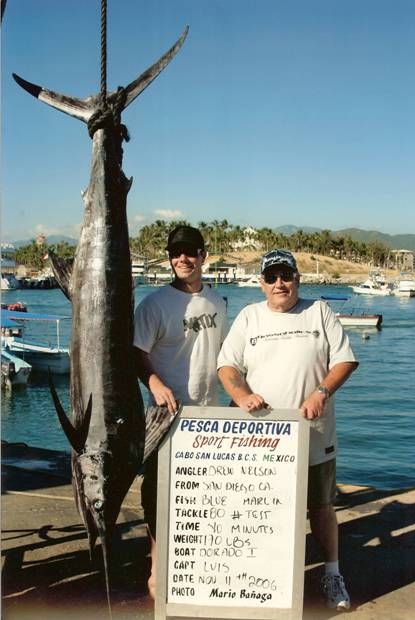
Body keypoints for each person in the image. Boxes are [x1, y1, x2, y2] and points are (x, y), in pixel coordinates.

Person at [217, 249, 358, 611]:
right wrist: (242, 395)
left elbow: (344, 360)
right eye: (272, 277)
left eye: (286, 275)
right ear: (261, 283)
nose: (280, 283)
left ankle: (332, 573)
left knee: (322, 507)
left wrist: (321, 393)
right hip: (260, 442)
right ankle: (264, 578)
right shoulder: (249, 317)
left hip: (315, 433)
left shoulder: (320, 311)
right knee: (260, 508)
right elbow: (227, 367)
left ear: (298, 278)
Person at [133, 225, 227, 598]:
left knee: (202, 495)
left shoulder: (218, 301)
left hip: (210, 418)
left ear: (204, 256)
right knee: (157, 495)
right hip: (166, 419)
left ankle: (194, 566)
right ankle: (157, 566)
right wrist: (154, 383)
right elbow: (136, 351)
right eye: (176, 253)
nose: (182, 259)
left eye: (190, 252)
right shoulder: (153, 304)